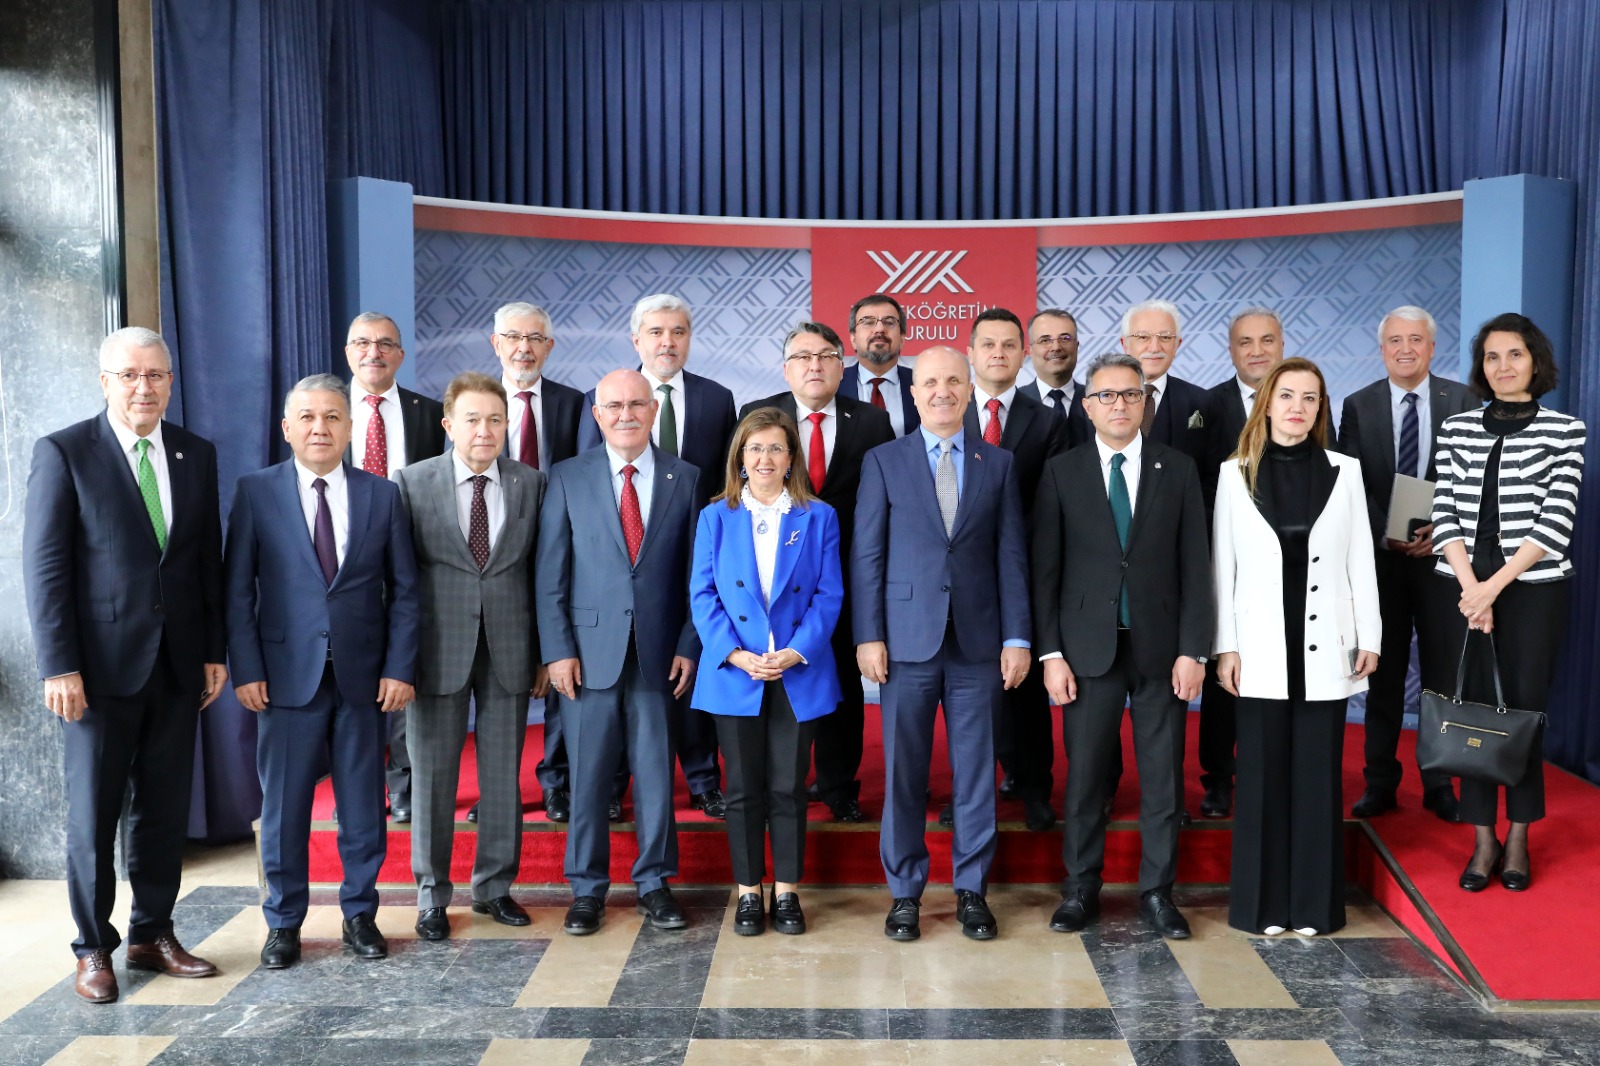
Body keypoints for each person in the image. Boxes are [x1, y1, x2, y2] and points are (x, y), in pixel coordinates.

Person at [24, 327, 226, 1003]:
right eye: (131, 375)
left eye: (157, 375)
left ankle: (152, 932)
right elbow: (45, 567)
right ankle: (93, 947)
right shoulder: (64, 452)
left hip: (176, 669)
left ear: (172, 380)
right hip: (96, 676)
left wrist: (212, 651)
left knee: (163, 812)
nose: (146, 387)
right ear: (105, 380)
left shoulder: (194, 453)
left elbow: (205, 563)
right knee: (94, 815)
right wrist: (59, 666)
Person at [225, 374, 420, 968]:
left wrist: (398, 667)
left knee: (363, 805)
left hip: (365, 680)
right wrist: (246, 668)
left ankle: (360, 914)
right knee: (285, 809)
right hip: (284, 679)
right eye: (307, 417)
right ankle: (283, 922)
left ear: (350, 426)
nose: (320, 428)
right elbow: (237, 594)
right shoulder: (256, 492)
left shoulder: (382, 494)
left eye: (333, 417)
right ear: (287, 428)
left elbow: (407, 593)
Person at [1032, 353, 1212, 941]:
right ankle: (1082, 887)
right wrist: (1050, 653)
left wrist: (1195, 649)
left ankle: (1158, 892)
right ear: (1087, 407)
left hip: (1163, 650)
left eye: (1129, 395)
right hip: (1086, 652)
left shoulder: (1178, 469)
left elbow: (1196, 566)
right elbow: (1046, 572)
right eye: (1105, 396)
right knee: (1085, 777)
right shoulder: (1062, 471)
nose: (1118, 405)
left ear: (1146, 403)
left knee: (1163, 778)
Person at [854, 346, 1031, 942]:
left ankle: (972, 889)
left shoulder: (998, 463)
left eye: (953, 381)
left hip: (980, 642)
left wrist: (1017, 636)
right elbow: (868, 555)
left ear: (970, 387)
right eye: (929, 381)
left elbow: (1012, 556)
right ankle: (905, 892)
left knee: (976, 771)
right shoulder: (884, 460)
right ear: (914, 391)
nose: (941, 391)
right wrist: (868, 635)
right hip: (904, 641)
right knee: (904, 769)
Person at [1213, 358, 1380, 936]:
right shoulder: (1233, 474)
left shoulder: (1346, 471)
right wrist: (1224, 647)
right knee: (1260, 777)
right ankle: (1261, 908)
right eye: (1287, 395)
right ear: (1267, 403)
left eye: (1310, 398)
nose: (1298, 407)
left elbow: (1362, 558)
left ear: (1320, 408)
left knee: (1316, 777)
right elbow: (1222, 569)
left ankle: (1313, 907)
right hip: (1258, 646)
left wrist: (1371, 636)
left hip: (1326, 647)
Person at [538, 370, 702, 935]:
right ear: (596, 413)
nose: (626, 413)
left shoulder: (687, 477)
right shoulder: (565, 477)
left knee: (656, 773)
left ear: (654, 410)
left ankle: (655, 883)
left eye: (637, 403)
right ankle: (587, 889)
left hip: (660, 654)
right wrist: (557, 650)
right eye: (614, 405)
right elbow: (550, 574)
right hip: (587, 654)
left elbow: (693, 575)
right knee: (588, 777)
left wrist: (689, 643)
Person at [1432, 313, 1585, 894]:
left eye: (1514, 355)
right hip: (1465, 586)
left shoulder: (1566, 431)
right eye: (1492, 357)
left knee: (1522, 712)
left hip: (1532, 592)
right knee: (1470, 711)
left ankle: (1518, 835)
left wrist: (1493, 589)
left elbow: (1556, 523)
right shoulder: (1458, 429)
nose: (1503, 367)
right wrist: (1472, 588)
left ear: (1535, 361)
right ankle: (1482, 839)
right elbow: (1444, 510)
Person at [395, 372, 547, 940]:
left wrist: (542, 653)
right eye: (472, 419)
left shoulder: (531, 483)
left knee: (502, 776)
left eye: (495, 420)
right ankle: (432, 895)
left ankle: (494, 888)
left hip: (510, 646)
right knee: (433, 775)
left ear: (508, 424)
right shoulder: (411, 483)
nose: (484, 431)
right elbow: (399, 579)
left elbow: (540, 572)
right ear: (448, 424)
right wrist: (400, 660)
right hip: (435, 650)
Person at [690, 408, 844, 935]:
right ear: (740, 456)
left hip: (796, 671)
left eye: (775, 448)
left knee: (788, 787)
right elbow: (703, 594)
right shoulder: (716, 516)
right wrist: (734, 654)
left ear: (791, 457)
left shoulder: (818, 515)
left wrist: (796, 651)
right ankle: (749, 892)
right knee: (742, 790)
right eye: (754, 449)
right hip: (737, 673)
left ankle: (788, 893)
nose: (764, 459)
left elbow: (829, 594)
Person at [579, 294, 734, 818]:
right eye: (656, 332)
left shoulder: (717, 399)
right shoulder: (602, 399)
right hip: (622, 566)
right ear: (636, 339)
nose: (668, 341)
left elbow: (723, 483)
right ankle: (616, 784)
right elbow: (590, 479)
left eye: (679, 331)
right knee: (626, 682)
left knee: (691, 679)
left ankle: (702, 778)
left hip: (692, 558)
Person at [738, 322, 894, 822]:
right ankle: (780, 782)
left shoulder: (871, 420)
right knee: (776, 673)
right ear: (786, 367)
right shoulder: (759, 416)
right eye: (803, 356)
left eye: (826, 356)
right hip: (773, 576)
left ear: (840, 365)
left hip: (845, 569)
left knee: (841, 680)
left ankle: (837, 784)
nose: (814, 365)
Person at [1337, 306, 1479, 822]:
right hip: (1380, 563)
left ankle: (1439, 783)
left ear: (1432, 347)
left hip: (1445, 560)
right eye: (1394, 340)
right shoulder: (1358, 404)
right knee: (1382, 672)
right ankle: (1380, 782)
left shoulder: (1463, 400)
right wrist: (1387, 533)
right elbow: (1351, 481)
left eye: (1415, 340)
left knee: (1443, 675)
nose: (1405, 349)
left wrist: (1441, 529)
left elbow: (1472, 478)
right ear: (1382, 349)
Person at [963, 308, 1070, 831]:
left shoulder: (1047, 419)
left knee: (1026, 691)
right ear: (972, 352)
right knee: (969, 692)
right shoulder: (945, 408)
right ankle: (971, 791)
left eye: (1009, 345)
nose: (999, 354)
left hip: (1023, 570)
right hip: (960, 579)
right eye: (989, 345)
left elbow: (1051, 503)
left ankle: (1034, 789)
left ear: (1024, 353)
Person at [343, 311, 447, 824]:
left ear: (400, 355)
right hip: (341, 565)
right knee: (350, 683)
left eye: (385, 344)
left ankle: (404, 786)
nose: (374, 352)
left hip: (411, 560)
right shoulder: (325, 410)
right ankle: (359, 789)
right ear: (348, 353)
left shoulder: (428, 413)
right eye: (362, 343)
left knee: (406, 676)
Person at [487, 301, 586, 825]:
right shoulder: (473, 403)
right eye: (513, 337)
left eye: (535, 338)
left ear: (549, 346)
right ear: (495, 343)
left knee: (560, 667)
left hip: (561, 555)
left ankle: (557, 783)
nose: (524, 347)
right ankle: (497, 789)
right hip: (490, 558)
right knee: (498, 677)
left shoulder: (575, 405)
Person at [1194, 307, 1285, 819]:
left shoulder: (1306, 400)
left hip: (1292, 563)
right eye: (1245, 342)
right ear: (1231, 350)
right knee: (1223, 671)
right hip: (1227, 559)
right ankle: (1218, 777)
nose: (1256, 351)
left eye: (1266, 340)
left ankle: (1266, 771)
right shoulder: (1208, 406)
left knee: (1276, 670)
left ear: (1280, 344)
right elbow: (1201, 482)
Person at [1120, 299, 1209, 469]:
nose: (1154, 347)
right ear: (1125, 344)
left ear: (1177, 345)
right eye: (1143, 337)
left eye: (1165, 337)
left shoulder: (1203, 401)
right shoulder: (1098, 400)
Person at [841, 293, 920, 436]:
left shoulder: (921, 384)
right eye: (868, 322)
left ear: (902, 338)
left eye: (889, 322)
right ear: (853, 338)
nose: (879, 329)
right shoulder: (834, 386)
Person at [1018, 307, 1090, 448]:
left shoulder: (1099, 400)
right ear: (1030, 351)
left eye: (1065, 338)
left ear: (1076, 346)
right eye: (1045, 340)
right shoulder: (1014, 404)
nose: (1056, 347)